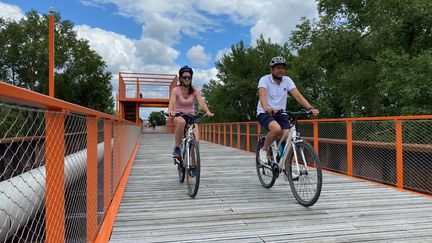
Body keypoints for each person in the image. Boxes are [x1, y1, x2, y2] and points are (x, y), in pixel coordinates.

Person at [257, 56, 319, 163]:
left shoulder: (287, 80)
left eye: (282, 68)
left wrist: (310, 107)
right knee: (276, 129)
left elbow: (297, 95)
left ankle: (285, 169)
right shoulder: (265, 79)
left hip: (281, 113)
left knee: (288, 137)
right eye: (278, 68)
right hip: (265, 112)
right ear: (272, 69)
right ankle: (264, 150)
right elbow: (262, 95)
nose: (280, 70)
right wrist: (266, 107)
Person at [168, 66, 214, 158]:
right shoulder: (175, 90)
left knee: (195, 141)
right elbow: (172, 102)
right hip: (178, 115)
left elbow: (201, 102)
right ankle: (177, 148)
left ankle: (193, 169)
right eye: (185, 77)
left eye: (189, 77)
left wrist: (208, 111)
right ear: (181, 78)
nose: (187, 79)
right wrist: (170, 111)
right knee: (181, 122)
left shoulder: (195, 90)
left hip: (191, 117)